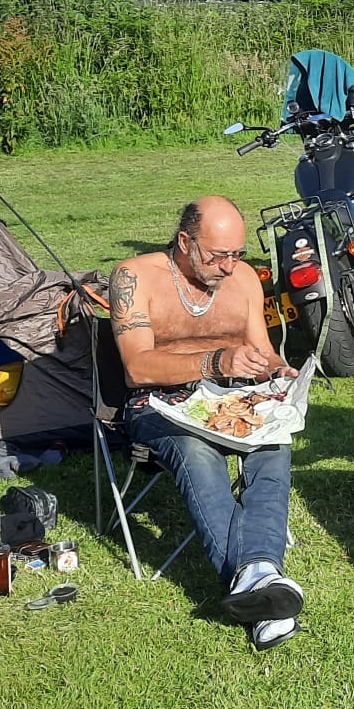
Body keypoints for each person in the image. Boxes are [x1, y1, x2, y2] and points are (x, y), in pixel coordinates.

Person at [112, 196, 302, 651]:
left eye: (236, 254)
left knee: (274, 446)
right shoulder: (134, 276)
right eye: (218, 255)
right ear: (185, 241)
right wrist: (216, 360)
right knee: (198, 456)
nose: (229, 265)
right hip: (158, 404)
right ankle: (260, 574)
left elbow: (263, 350)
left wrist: (277, 369)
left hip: (233, 400)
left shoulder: (243, 281)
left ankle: (255, 578)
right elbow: (136, 368)